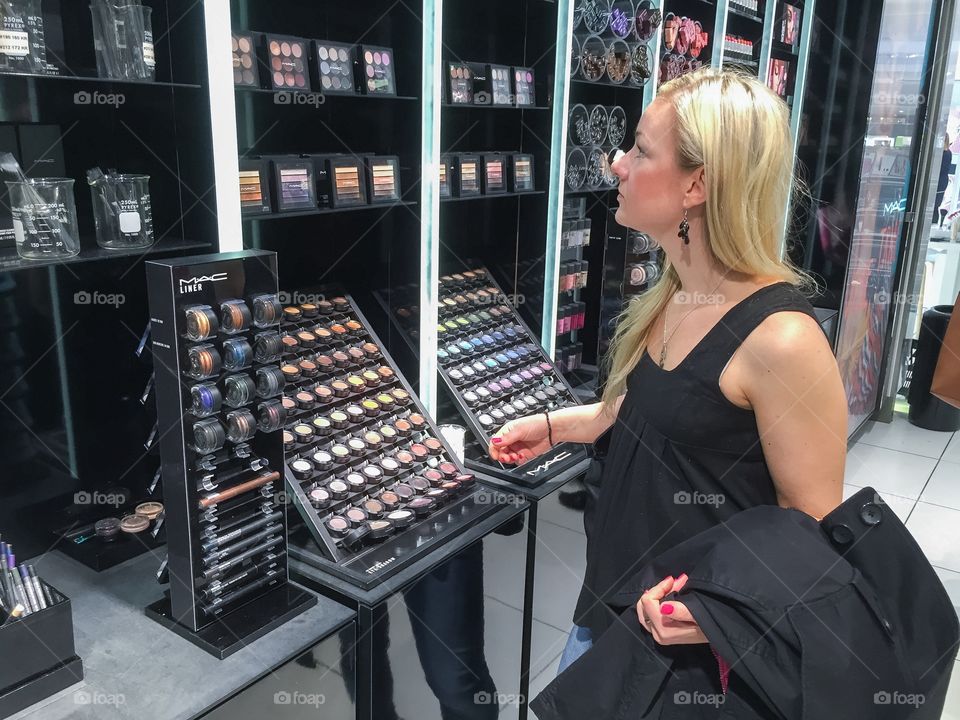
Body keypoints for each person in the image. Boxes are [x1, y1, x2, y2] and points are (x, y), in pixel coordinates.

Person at [488, 68, 847, 678]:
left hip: (687, 659)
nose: (616, 165)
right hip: (608, 608)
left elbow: (812, 533)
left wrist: (718, 617)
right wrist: (553, 427)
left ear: (696, 184)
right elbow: (650, 411)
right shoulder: (673, 293)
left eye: (639, 150)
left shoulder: (783, 340)